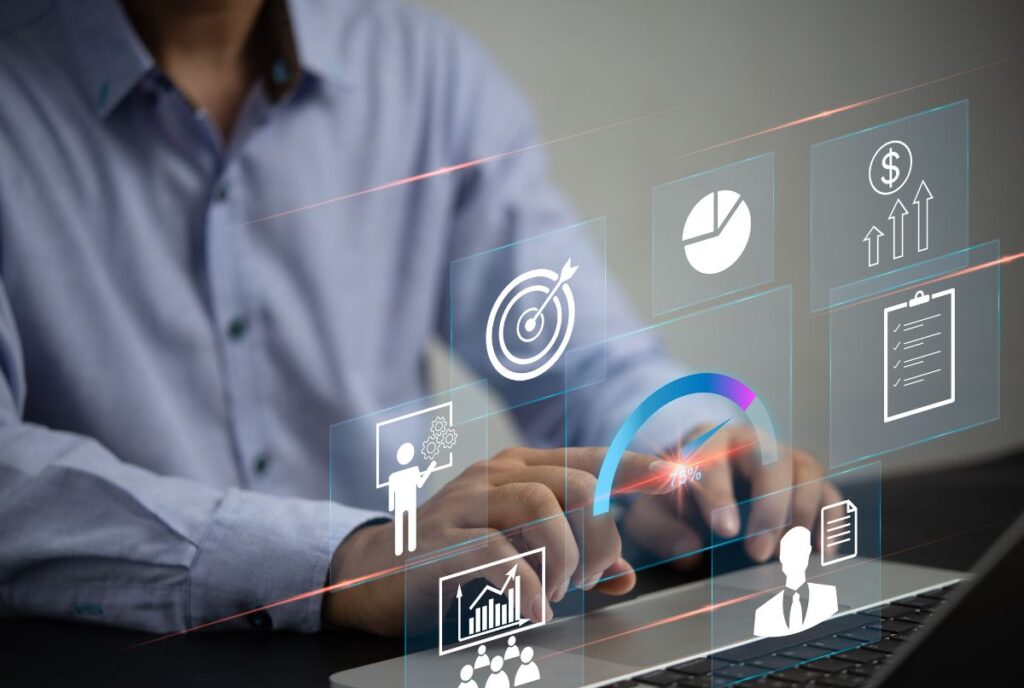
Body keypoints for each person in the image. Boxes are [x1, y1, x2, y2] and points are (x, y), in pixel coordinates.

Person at [0, 0, 837, 635]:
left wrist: (686, 455)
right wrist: (344, 561)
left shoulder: (419, 69)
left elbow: (589, 361)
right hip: (102, 678)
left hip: (399, 663)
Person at [753, 526, 838, 638]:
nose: (791, 559)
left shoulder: (827, 597)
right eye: (786, 552)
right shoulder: (764, 612)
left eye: (797, 552)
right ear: (781, 556)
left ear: (807, 554)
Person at [387, 443, 437, 556]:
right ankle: (403, 548)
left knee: (409, 525)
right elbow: (392, 491)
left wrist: (429, 469)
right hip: (400, 504)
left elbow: (420, 484)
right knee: (402, 525)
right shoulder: (394, 476)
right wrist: (391, 505)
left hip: (410, 502)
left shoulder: (412, 471)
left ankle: (409, 547)